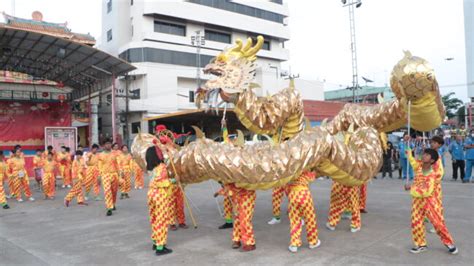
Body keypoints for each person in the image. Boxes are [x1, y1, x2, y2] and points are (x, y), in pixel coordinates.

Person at [406, 148, 458, 254]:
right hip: (417, 202)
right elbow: (412, 161)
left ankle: (449, 243)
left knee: (438, 224)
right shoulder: (418, 168)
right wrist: (409, 151)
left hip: (430, 202)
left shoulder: (432, 174)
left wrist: (410, 188)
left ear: (432, 160)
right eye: (424, 153)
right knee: (416, 223)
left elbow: (425, 191)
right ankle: (421, 244)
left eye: (427, 155)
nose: (424, 155)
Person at [146, 145, 174, 256]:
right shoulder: (162, 167)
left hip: (151, 194)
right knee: (161, 220)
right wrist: (173, 181)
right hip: (160, 194)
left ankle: (155, 240)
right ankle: (160, 247)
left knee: (154, 218)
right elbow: (162, 182)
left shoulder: (150, 168)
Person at [287, 171, 320, 253]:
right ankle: (313, 242)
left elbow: (285, 185)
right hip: (304, 194)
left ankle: (294, 243)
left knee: (294, 220)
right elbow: (312, 177)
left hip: (292, 195)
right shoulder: (305, 168)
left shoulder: (289, 170)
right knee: (310, 219)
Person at [98, 140, 120, 216]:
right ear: (104, 145)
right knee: (107, 191)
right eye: (106, 144)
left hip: (114, 174)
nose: (108, 145)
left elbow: (118, 164)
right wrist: (99, 176)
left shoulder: (115, 154)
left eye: (109, 144)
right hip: (105, 175)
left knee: (114, 191)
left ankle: (113, 203)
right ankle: (109, 208)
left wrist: (120, 173)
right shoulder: (100, 155)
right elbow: (99, 166)